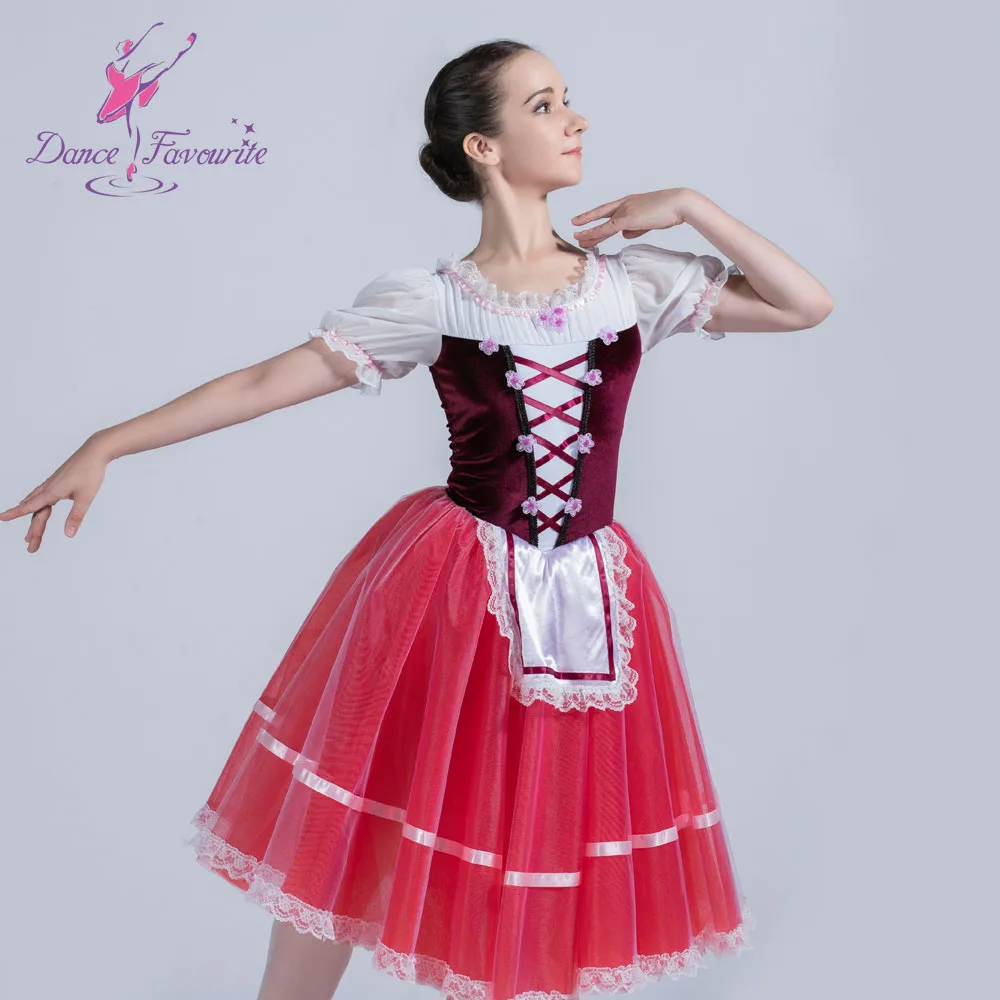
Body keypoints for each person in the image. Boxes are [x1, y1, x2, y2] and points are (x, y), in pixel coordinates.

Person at [1, 38, 833, 1000]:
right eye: (544, 104)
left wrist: (691, 206)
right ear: (484, 145)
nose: (576, 119)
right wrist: (107, 441)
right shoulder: (435, 302)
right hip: (453, 592)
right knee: (360, 823)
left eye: (567, 98)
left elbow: (805, 305)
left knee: (544, 833)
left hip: (590, 595)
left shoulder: (632, 284)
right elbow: (266, 382)